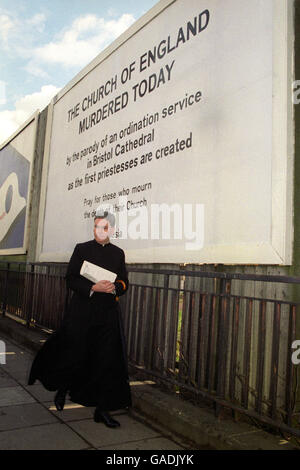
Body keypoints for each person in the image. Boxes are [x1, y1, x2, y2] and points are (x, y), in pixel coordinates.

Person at [28, 210, 131, 428]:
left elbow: (124, 282)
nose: (98, 231)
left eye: (103, 227)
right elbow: (71, 279)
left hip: (107, 315)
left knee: (105, 360)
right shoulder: (82, 249)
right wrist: (93, 287)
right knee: (75, 353)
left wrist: (114, 288)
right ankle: (63, 389)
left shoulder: (118, 253)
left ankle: (102, 410)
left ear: (111, 229)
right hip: (82, 311)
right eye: (95, 227)